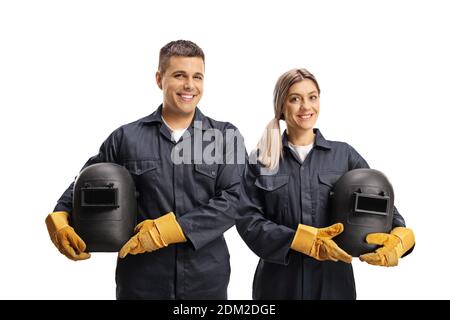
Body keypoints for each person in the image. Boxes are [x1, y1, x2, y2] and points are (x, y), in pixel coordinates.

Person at [45, 40, 244, 299]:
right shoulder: (126, 138)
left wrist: (172, 230)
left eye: (198, 77)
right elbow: (87, 182)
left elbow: (236, 199)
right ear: (159, 79)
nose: (190, 86)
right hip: (141, 280)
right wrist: (61, 216)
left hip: (205, 281)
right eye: (179, 75)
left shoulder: (225, 136)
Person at [236, 68, 415, 300]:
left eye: (312, 97)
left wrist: (400, 238)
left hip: (334, 286)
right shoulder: (261, 160)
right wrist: (299, 241)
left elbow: (380, 205)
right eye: (295, 99)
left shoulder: (345, 156)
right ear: (281, 106)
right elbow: (247, 220)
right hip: (278, 287)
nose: (306, 107)